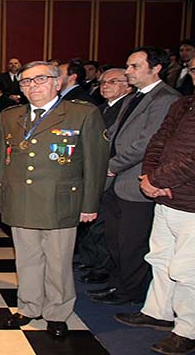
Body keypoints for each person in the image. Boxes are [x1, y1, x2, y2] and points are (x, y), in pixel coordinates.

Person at [115, 49, 195, 355]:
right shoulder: (186, 102)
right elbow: (158, 141)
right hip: (165, 196)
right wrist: (150, 178)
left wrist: (159, 180)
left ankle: (190, 331)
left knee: (188, 270)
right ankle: (157, 312)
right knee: (159, 259)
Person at [0, 61, 108, 337]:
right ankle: (29, 305)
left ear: (57, 83)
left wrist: (89, 204)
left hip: (60, 202)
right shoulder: (10, 116)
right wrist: (2, 197)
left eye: (40, 79)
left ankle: (57, 312)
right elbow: (4, 160)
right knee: (26, 259)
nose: (32, 86)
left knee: (58, 261)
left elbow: (95, 163)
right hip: (20, 199)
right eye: (26, 82)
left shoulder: (81, 113)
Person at [93, 47, 181, 306]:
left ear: (156, 69)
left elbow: (148, 142)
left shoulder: (165, 98)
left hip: (135, 181)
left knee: (131, 242)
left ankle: (131, 292)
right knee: (115, 239)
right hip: (117, 181)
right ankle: (118, 284)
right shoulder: (134, 97)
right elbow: (115, 134)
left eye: (135, 66)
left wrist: (113, 165)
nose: (128, 71)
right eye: (128, 66)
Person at [75, 68, 133, 286]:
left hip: (115, 174)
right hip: (93, 172)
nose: (105, 86)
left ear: (127, 86)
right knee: (93, 222)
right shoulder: (97, 109)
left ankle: (103, 267)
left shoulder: (126, 109)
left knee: (106, 226)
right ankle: (91, 260)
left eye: (112, 82)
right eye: (102, 82)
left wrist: (111, 165)